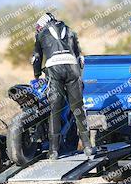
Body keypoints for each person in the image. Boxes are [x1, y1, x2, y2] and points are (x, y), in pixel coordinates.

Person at [32, 13, 93, 160]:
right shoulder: (70, 31)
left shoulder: (41, 34)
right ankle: (88, 147)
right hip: (72, 68)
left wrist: (36, 74)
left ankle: (53, 151)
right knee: (78, 108)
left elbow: (36, 58)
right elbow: (80, 58)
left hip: (54, 69)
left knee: (55, 110)